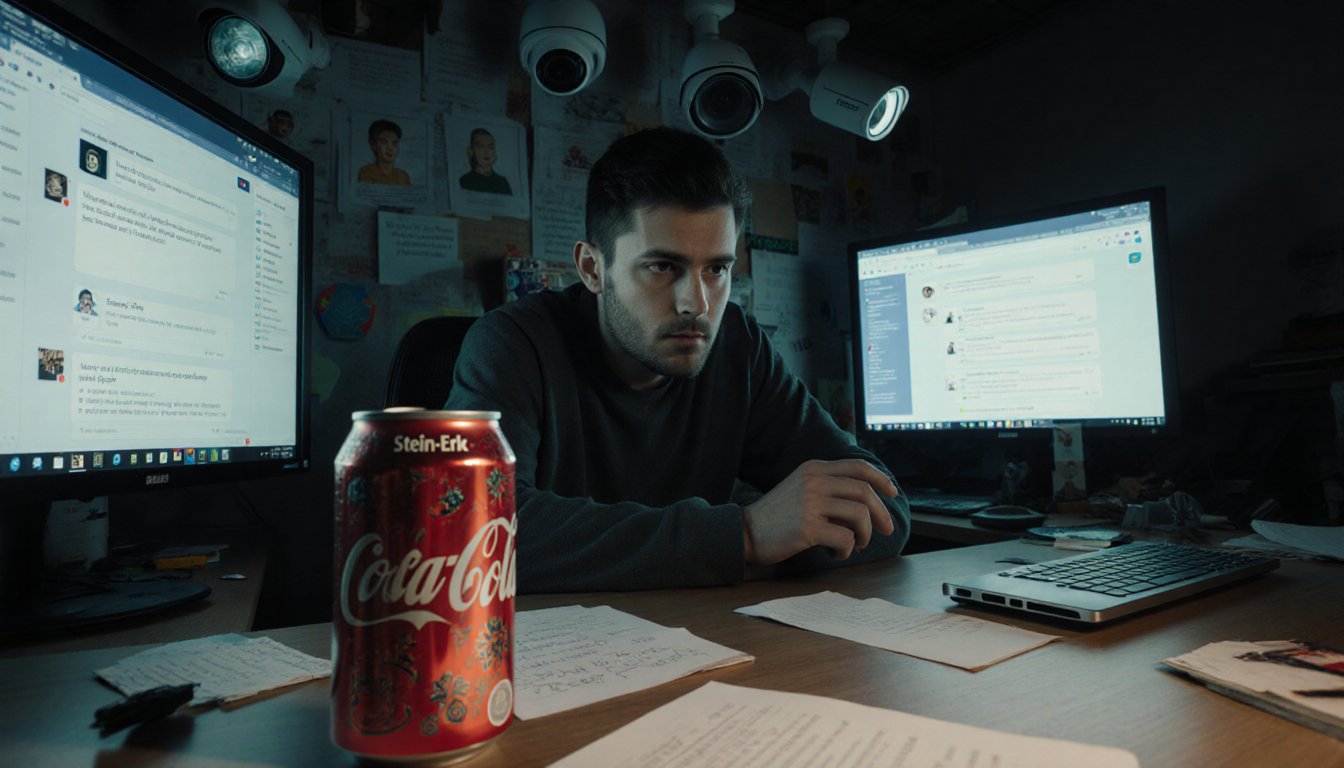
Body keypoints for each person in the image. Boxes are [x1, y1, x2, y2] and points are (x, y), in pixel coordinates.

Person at [447, 127, 909, 593]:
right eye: (663, 267)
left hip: (708, 644)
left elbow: (886, 509)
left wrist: (741, 552)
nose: (698, 304)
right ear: (592, 269)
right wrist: (744, 537)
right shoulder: (512, 345)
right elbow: (472, 529)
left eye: (717, 269)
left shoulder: (740, 349)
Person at [458, 128, 513, 196]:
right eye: (481, 147)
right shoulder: (465, 181)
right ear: (470, 151)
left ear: (495, 152)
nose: (487, 152)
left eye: (491, 147)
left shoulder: (502, 183)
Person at [357, 119, 411, 186]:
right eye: (384, 142)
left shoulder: (403, 177)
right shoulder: (366, 173)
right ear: (374, 145)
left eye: (394, 143)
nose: (390, 148)